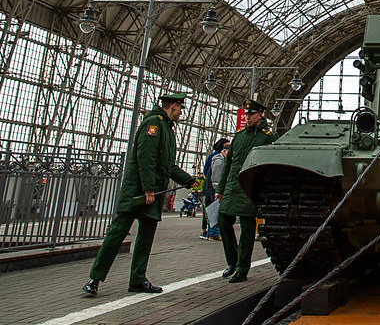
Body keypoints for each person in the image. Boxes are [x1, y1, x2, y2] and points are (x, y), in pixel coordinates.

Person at [83, 92, 198, 296]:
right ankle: (94, 278)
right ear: (172, 106)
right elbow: (146, 157)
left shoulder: (167, 129)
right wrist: (148, 188)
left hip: (153, 191)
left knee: (146, 237)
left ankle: (138, 279)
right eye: (180, 109)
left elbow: (167, 165)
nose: (181, 113)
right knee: (117, 233)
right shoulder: (153, 124)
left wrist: (188, 180)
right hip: (139, 191)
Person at [216, 97, 276, 283]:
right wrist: (221, 187)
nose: (247, 117)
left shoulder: (267, 137)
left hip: (251, 187)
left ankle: (242, 268)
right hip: (232, 187)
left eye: (250, 114)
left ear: (260, 115)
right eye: (246, 114)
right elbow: (228, 164)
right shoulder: (239, 136)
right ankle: (233, 262)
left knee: (247, 229)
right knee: (223, 222)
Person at [200, 138, 229, 240]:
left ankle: (209, 231)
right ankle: (213, 233)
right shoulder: (218, 159)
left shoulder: (217, 158)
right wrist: (218, 189)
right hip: (213, 190)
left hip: (210, 188)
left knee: (211, 211)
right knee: (214, 211)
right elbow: (216, 176)